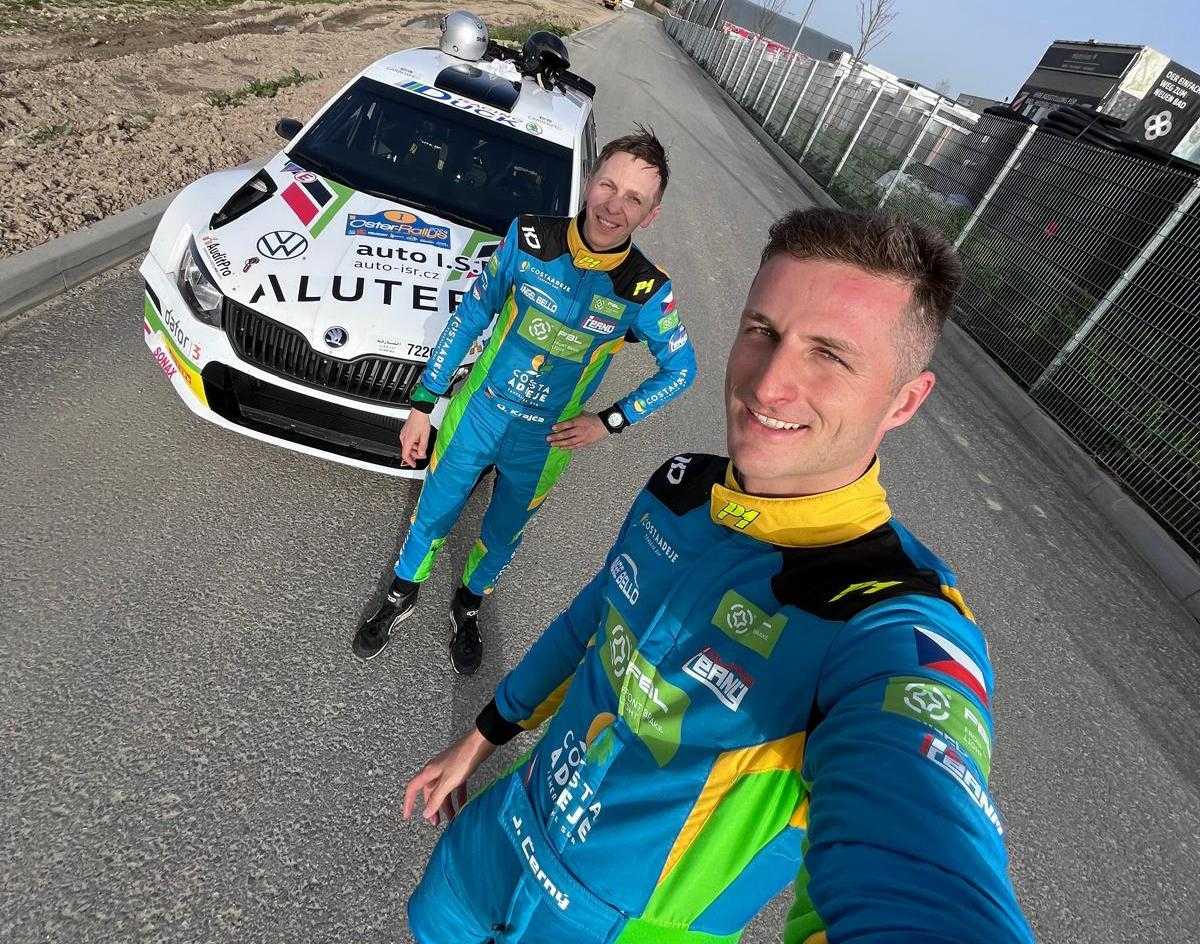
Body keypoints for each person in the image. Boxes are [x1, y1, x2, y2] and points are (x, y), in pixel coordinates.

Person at [400, 208, 1035, 943]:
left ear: (905, 400)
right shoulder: (681, 489)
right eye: (762, 331)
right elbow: (591, 621)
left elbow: (925, 864)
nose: (769, 385)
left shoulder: (893, 618)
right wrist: (480, 739)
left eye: (830, 355)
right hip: (494, 841)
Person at [352, 126, 696, 674]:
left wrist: (610, 421)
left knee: (502, 534)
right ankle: (401, 593)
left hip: (545, 440)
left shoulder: (646, 289)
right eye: (608, 185)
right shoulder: (530, 235)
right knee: (433, 512)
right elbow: (471, 316)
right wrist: (422, 405)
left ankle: (468, 604)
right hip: (478, 412)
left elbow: (681, 370)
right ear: (590, 181)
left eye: (635, 199)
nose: (614, 206)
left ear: (650, 215)